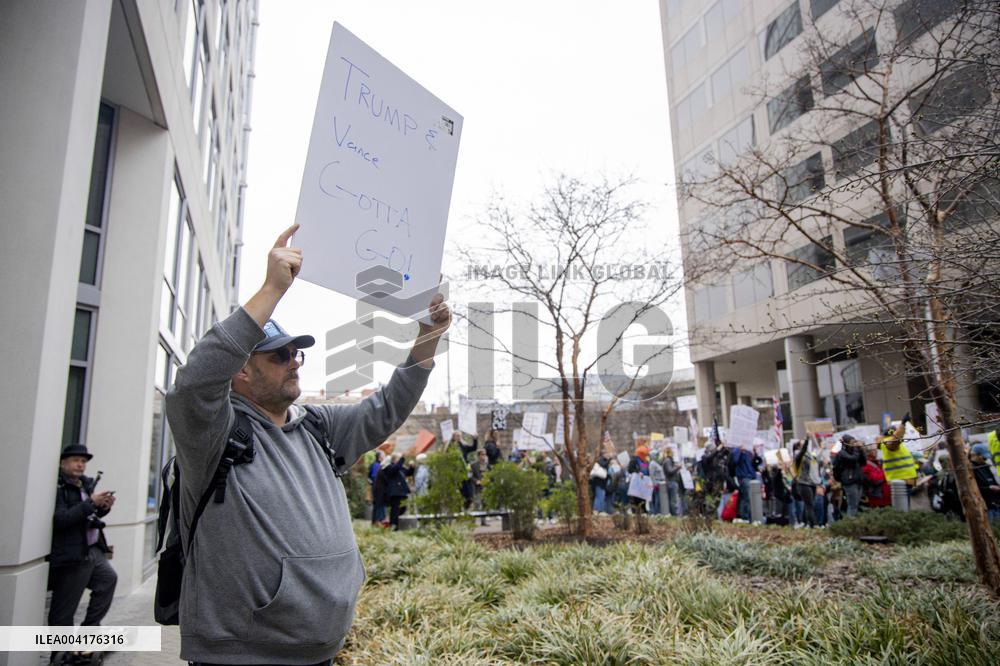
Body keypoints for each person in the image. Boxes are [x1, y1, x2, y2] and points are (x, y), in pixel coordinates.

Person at [164, 224, 449, 665]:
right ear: (240, 371)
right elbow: (192, 385)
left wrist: (428, 335)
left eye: (296, 353)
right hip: (241, 657)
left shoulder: (318, 426)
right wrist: (271, 290)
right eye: (278, 355)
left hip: (318, 653)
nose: (293, 363)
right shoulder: (215, 433)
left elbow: (387, 409)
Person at [48, 444, 117, 627]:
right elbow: (61, 519)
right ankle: (60, 653)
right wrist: (90, 503)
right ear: (63, 463)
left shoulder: (85, 484)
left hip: (93, 550)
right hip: (73, 554)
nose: (80, 465)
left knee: (108, 580)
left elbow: (89, 514)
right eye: (75, 460)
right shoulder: (58, 487)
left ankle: (88, 632)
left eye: (83, 461)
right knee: (64, 609)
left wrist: (103, 507)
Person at [836, 434, 866, 517]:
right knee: (852, 505)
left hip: (858, 480)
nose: (854, 444)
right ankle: (850, 523)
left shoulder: (855, 452)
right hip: (849, 481)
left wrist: (861, 450)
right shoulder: (842, 453)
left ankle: (853, 522)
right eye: (852, 442)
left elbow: (863, 462)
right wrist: (857, 449)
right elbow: (852, 459)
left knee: (855, 504)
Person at [382, 452, 414, 530]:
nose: (401, 461)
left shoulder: (401, 468)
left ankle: (394, 521)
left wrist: (412, 467)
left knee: (403, 508)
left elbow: (408, 473)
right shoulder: (389, 467)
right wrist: (402, 458)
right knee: (395, 509)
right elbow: (395, 469)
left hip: (402, 492)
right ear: (395, 459)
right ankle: (394, 525)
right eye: (399, 459)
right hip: (395, 492)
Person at [369, 450, 387, 526]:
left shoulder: (376, 464)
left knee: (378, 505)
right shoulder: (377, 465)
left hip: (377, 488)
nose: (385, 457)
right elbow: (374, 477)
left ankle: (377, 521)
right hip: (378, 489)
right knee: (378, 504)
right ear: (380, 457)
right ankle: (378, 521)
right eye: (384, 456)